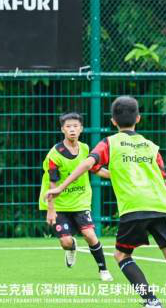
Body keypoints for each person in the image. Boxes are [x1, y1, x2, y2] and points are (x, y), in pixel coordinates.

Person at [46, 96, 166, 308]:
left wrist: (59, 187)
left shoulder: (110, 143)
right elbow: (165, 181)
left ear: (113, 121)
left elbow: (86, 164)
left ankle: (152, 302)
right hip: (162, 205)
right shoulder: (150, 146)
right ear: (138, 118)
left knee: (121, 255)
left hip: (135, 206)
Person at [39, 112, 113, 281]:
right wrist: (51, 210)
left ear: (81, 129)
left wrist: (115, 175)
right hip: (60, 204)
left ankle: (103, 270)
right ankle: (72, 248)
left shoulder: (86, 148)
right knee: (66, 243)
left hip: (81, 201)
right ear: (62, 130)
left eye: (75, 126)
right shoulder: (54, 154)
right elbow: (52, 183)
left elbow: (94, 169)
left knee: (89, 235)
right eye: (68, 127)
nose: (72, 130)